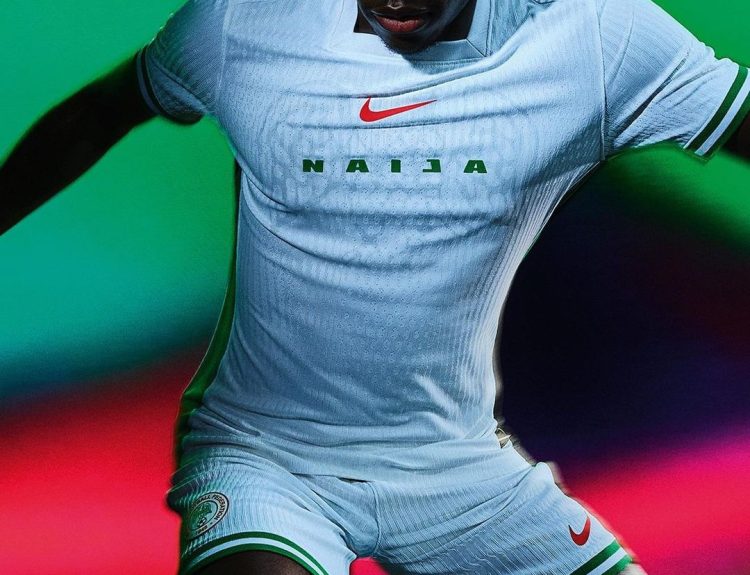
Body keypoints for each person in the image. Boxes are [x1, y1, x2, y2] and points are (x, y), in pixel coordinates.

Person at [2, 0, 748, 573]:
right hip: (267, 458)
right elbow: (98, 113)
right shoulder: (242, 24)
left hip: (457, 469)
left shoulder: (595, 37)